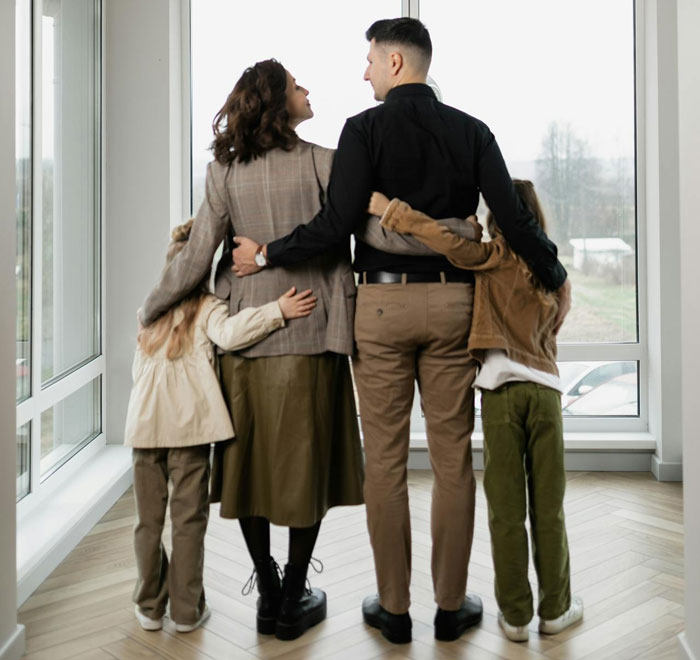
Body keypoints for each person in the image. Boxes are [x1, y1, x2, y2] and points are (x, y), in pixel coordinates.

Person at [231, 18, 571, 644]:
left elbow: (335, 226)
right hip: (453, 308)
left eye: (367, 61)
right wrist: (551, 269)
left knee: (383, 463)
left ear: (394, 63)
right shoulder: (473, 131)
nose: (362, 73)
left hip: (380, 309)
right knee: (450, 462)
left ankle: (392, 610)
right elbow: (514, 219)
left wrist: (266, 254)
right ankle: (448, 607)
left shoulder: (362, 130)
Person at [137, 59, 434, 641]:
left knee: (247, 471)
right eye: (297, 85)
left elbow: (198, 258)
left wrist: (151, 306)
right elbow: (368, 232)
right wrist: (433, 240)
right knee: (306, 469)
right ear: (277, 101)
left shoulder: (222, 171)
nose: (307, 90)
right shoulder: (325, 161)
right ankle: (294, 593)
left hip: (244, 339)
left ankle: (268, 591)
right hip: (313, 332)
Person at [368, 181, 583, 642]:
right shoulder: (552, 270)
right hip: (547, 396)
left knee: (505, 511)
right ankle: (556, 610)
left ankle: (516, 618)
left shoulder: (494, 256)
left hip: (502, 395)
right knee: (550, 508)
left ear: (497, 220)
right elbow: (558, 321)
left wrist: (394, 212)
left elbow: (442, 240)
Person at [125, 219, 316, 633]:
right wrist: (277, 311)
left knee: (148, 521)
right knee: (188, 521)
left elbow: (139, 373)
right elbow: (231, 335)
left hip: (143, 429)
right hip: (190, 431)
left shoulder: (149, 315)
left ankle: (149, 606)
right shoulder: (209, 308)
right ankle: (187, 611)